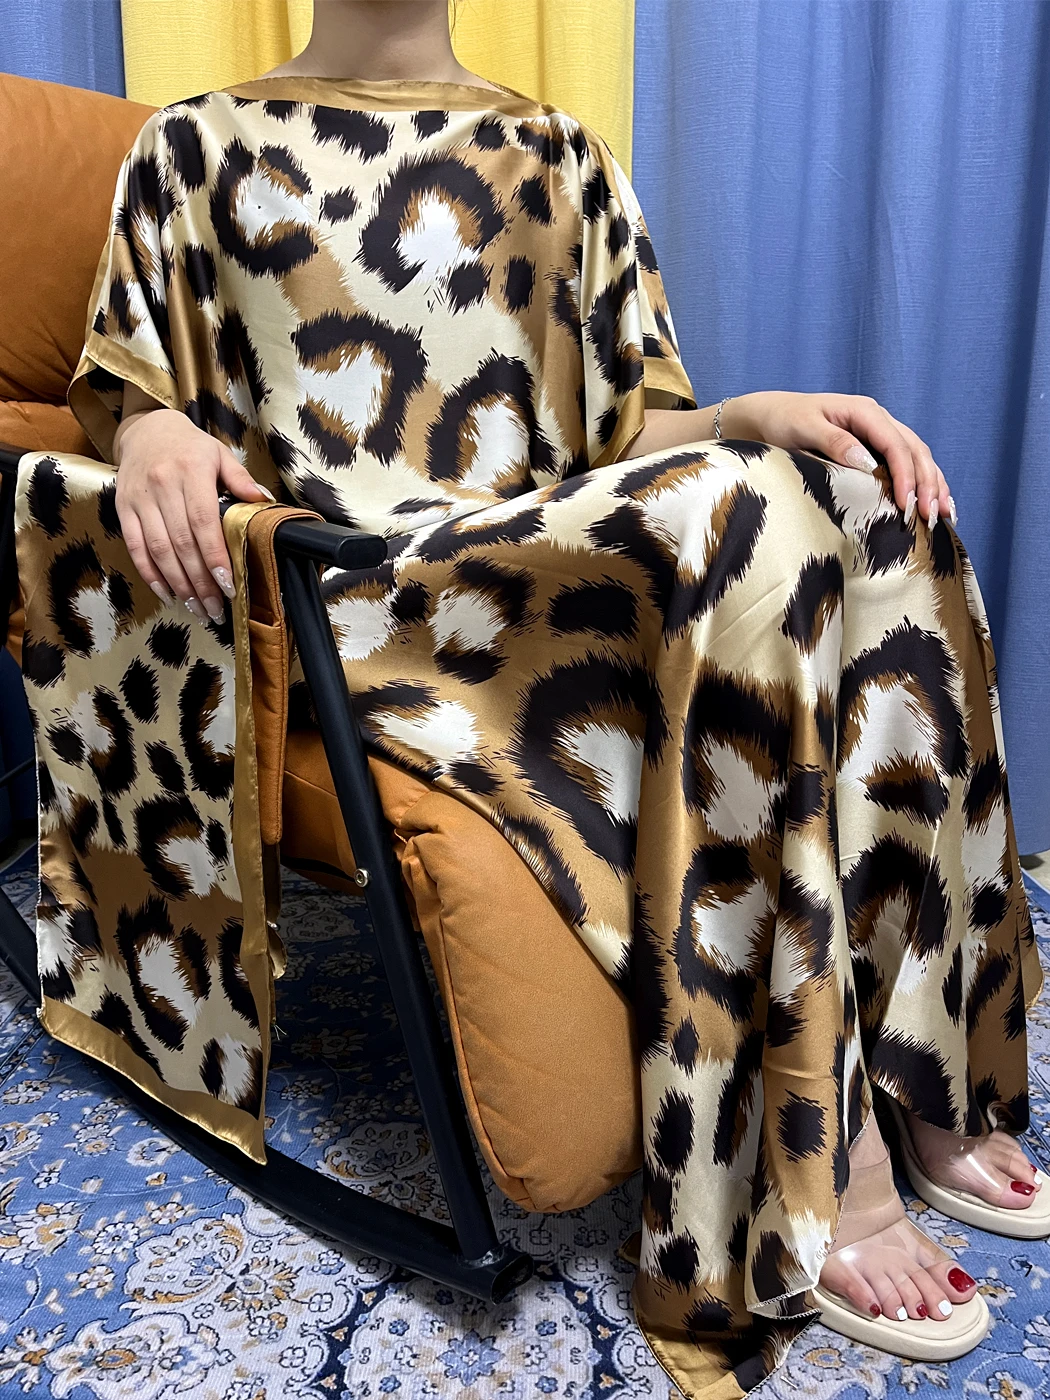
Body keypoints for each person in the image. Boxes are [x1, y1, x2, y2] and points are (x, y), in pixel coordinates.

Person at [15, 2, 1044, 1396]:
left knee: (873, 506)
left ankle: (930, 1068)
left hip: (554, 572)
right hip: (364, 596)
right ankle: (820, 1162)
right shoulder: (195, 146)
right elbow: (129, 391)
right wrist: (150, 434)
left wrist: (751, 417)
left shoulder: (564, 154)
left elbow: (631, 438)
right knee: (743, 511)